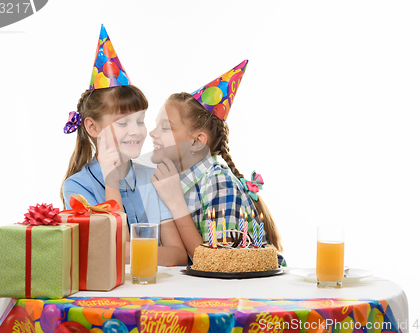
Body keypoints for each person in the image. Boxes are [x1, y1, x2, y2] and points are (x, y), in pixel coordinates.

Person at [60, 25, 187, 266]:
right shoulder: (77, 187)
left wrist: (127, 251)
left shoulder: (153, 178)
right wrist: (111, 181)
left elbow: (179, 255)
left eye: (140, 120)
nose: (136, 131)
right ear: (93, 128)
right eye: (123, 122)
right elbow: (107, 254)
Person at [148, 60, 285, 265]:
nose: (152, 133)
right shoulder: (172, 181)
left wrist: (176, 203)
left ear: (197, 142)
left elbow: (220, 263)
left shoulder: (219, 182)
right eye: (155, 125)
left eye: (166, 127)